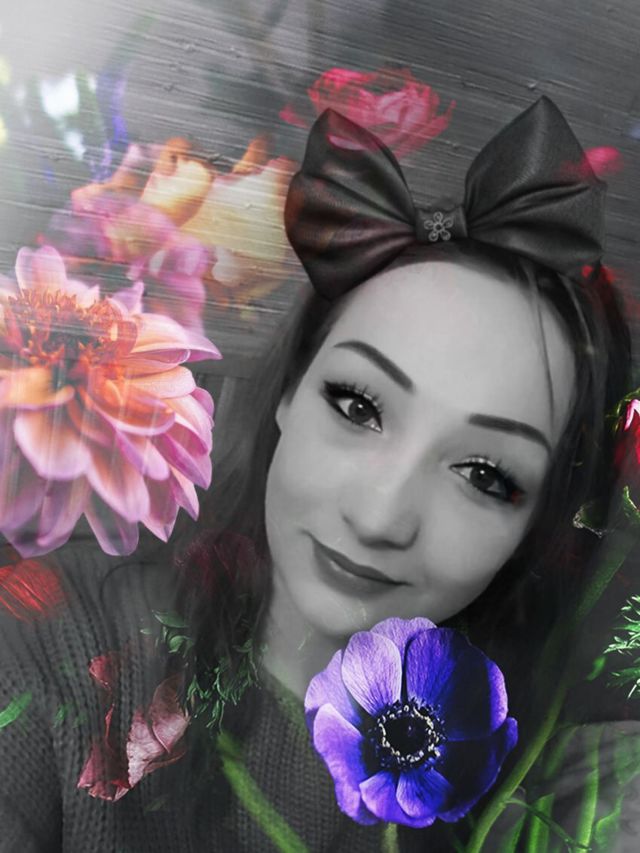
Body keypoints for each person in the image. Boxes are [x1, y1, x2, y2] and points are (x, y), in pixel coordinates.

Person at [0, 98, 637, 852]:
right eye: (359, 406)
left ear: (535, 526)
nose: (379, 516)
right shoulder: (45, 655)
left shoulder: (555, 799)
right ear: (291, 388)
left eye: (485, 473)